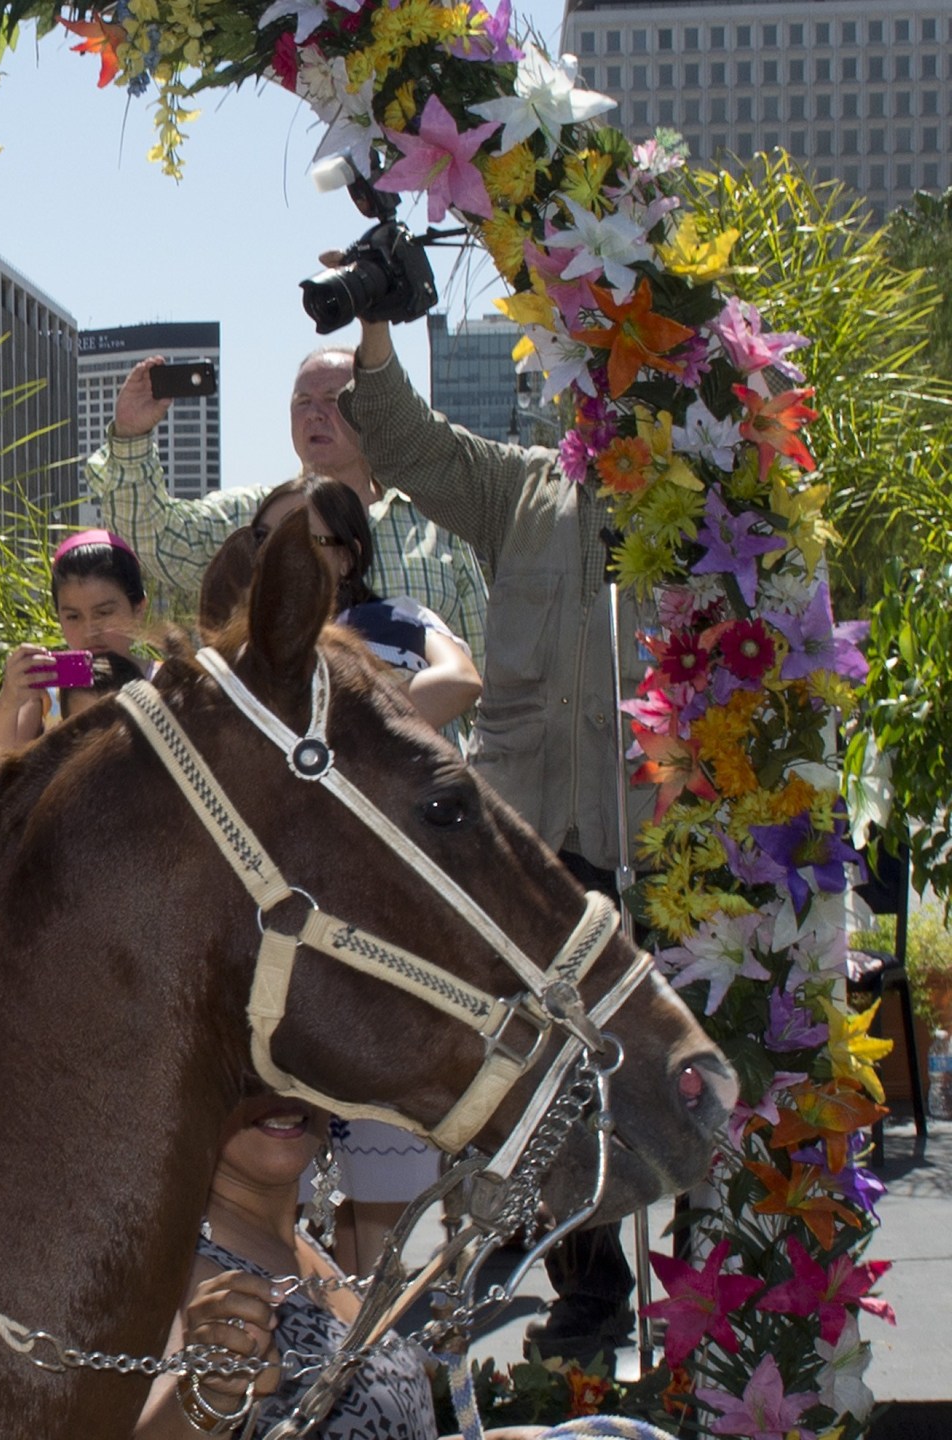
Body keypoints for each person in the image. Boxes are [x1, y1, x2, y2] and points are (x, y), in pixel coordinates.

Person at [335, 308, 644, 1359]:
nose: (597, 389)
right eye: (585, 368)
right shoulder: (521, 491)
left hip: (667, 837)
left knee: (676, 1071)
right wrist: (375, 332)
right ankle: (588, 1290)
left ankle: (720, 1298)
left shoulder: (711, 499)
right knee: (547, 1081)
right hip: (541, 840)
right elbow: (409, 443)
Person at [88, 353, 489, 658]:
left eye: (333, 399)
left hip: (416, 760)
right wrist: (130, 436)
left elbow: (489, 655)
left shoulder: (435, 520)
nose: (315, 414)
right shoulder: (255, 516)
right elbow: (154, 538)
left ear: (374, 414)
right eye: (302, 402)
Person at [135, 1096, 435, 1440]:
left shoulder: (305, 1251)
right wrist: (211, 1397)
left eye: (295, 1073)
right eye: (253, 1073)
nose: (282, 1096)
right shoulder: (180, 1272)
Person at [250, 478, 482, 731]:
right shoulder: (243, 643)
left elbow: (461, 680)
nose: (272, 551)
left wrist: (336, 730)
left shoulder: (396, 619)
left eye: (298, 537)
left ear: (346, 557)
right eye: (261, 537)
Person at [0, 527, 152, 756]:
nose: (89, 631)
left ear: (138, 609)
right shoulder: (47, 690)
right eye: (73, 617)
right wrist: (9, 699)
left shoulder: (166, 683)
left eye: (104, 613)